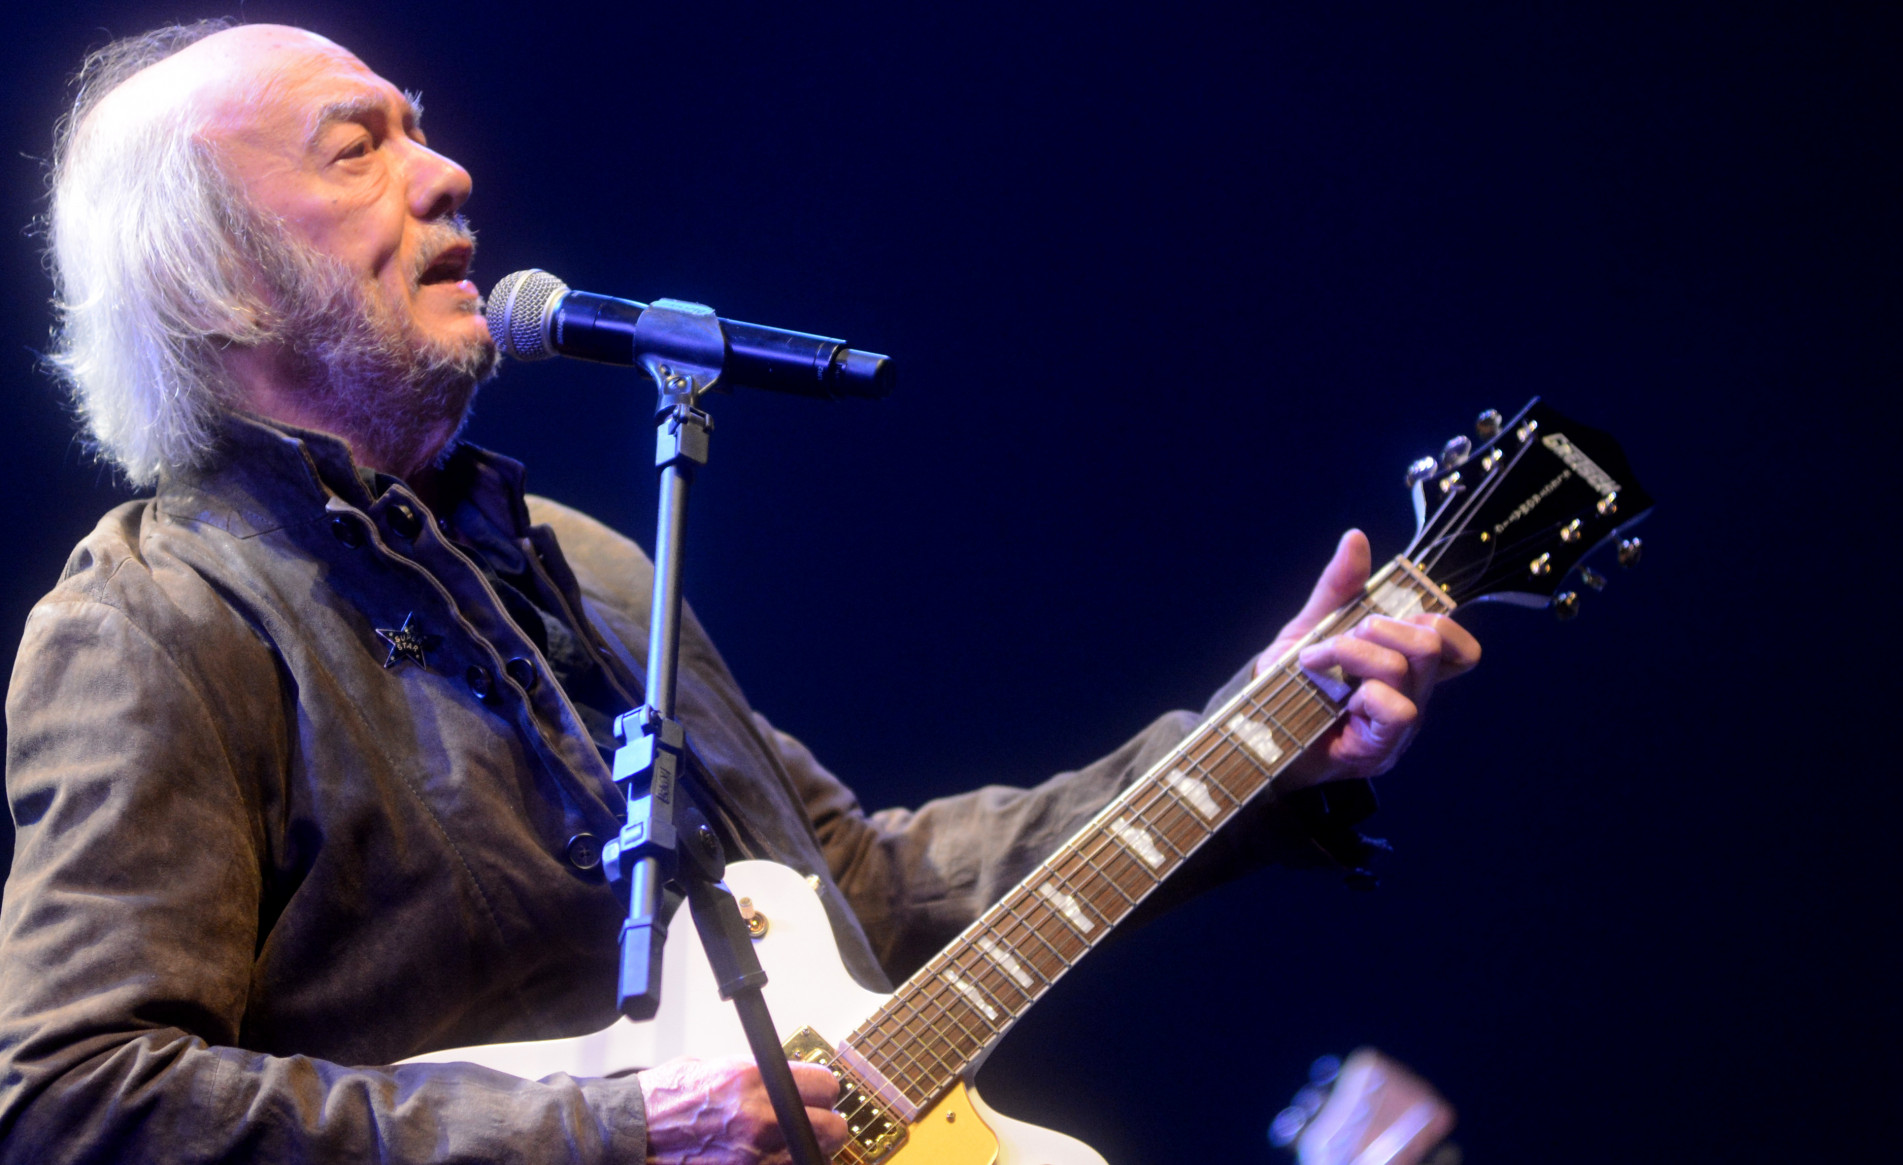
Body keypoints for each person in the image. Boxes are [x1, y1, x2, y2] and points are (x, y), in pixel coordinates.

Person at [0, 20, 1480, 1165]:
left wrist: (1254, 737)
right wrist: (622, 1135)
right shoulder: (154, 622)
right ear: (217, 279)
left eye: (422, 131)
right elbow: (75, 1095)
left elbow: (858, 892)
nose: (447, 175)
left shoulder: (586, 564)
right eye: (356, 149)